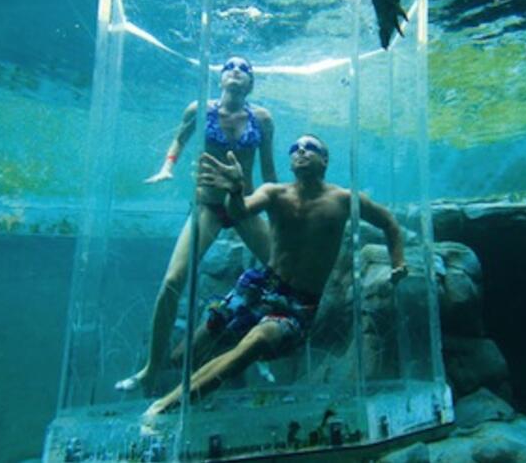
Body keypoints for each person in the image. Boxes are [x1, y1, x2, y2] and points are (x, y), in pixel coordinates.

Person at [142, 133, 409, 418]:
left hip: (299, 303)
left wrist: (398, 262)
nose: (301, 151)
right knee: (186, 354)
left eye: (310, 147)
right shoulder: (274, 193)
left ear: (325, 160)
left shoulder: (345, 200)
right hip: (259, 286)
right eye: (295, 148)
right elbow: (239, 212)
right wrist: (235, 191)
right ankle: (163, 393)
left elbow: (389, 223)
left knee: (257, 341)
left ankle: (163, 409)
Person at [115, 56, 278, 394]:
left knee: (281, 277)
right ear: (220, 78)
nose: (236, 70)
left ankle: (258, 350)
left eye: (244, 69)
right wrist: (167, 167)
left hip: (245, 206)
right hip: (208, 207)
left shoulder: (262, 119)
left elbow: (268, 168)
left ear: (251, 83)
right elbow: (179, 140)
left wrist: (279, 211)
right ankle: (151, 368)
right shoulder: (199, 110)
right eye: (230, 66)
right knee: (172, 282)